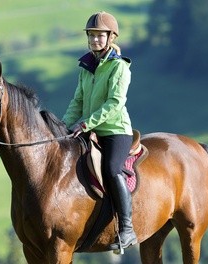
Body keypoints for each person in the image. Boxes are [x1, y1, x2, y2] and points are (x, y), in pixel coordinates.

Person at [62, 11, 137, 251]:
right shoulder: (86, 66)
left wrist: (85, 124)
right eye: (91, 35)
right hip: (90, 129)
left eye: (99, 36)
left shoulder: (119, 67)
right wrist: (63, 128)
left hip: (115, 130)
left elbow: (114, 104)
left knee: (112, 169)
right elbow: (78, 101)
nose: (94, 40)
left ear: (110, 37)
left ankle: (127, 228)